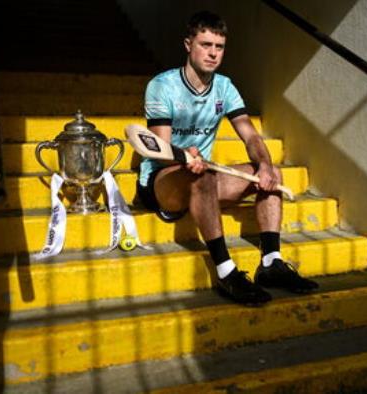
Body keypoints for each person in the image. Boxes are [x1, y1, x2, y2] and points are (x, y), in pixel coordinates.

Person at [135, 11, 318, 305]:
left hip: (201, 176)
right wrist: (184, 157)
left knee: (271, 174)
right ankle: (226, 271)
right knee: (201, 176)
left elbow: (251, 136)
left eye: (218, 47)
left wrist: (266, 165)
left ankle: (271, 262)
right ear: (188, 44)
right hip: (162, 180)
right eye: (205, 44)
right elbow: (159, 148)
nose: (212, 53)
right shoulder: (162, 85)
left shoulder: (225, 87)